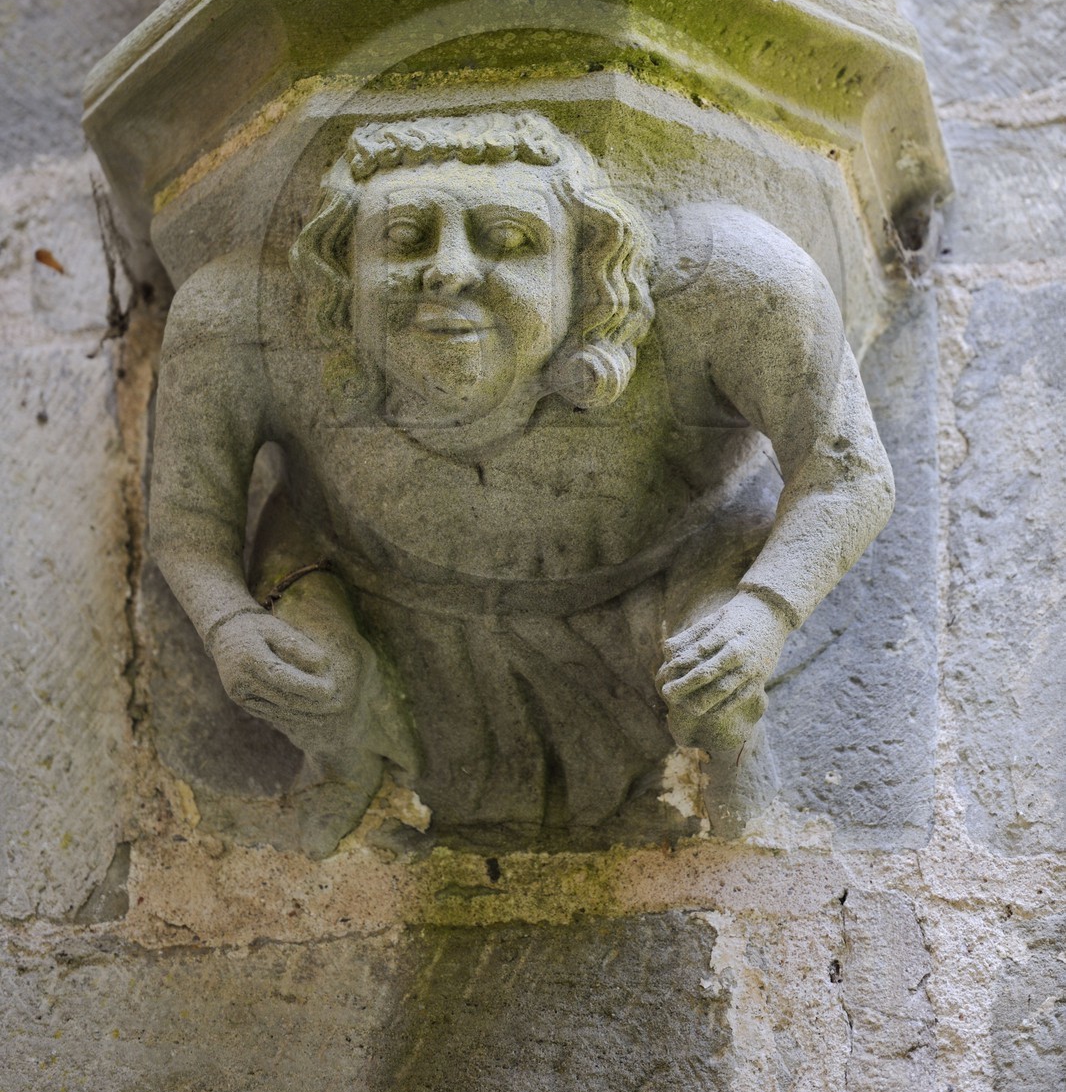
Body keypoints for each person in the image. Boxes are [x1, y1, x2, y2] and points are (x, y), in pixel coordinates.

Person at [151, 111, 893, 839]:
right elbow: (187, 523)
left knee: (711, 680)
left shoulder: (724, 285)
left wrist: (764, 613)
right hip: (373, 579)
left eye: (508, 239)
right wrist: (232, 624)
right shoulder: (249, 320)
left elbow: (847, 471)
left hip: (671, 564)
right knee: (316, 684)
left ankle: (734, 783)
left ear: (587, 266)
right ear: (341, 271)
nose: (448, 270)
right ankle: (348, 758)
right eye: (404, 240)